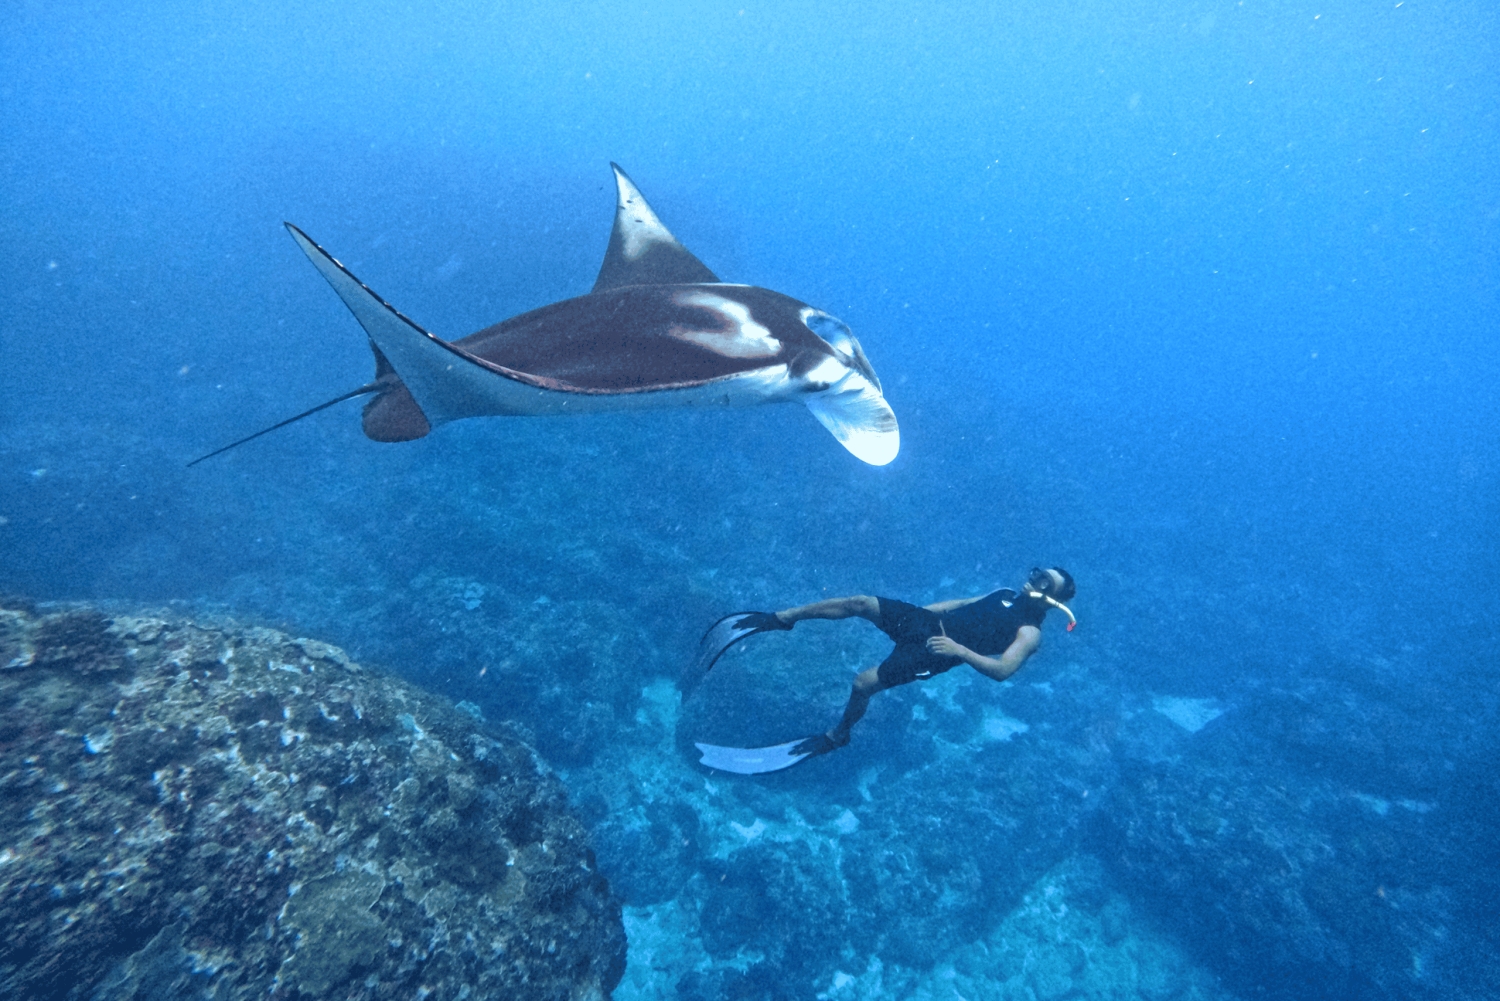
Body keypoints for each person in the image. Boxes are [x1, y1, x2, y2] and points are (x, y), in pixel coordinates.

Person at [723, 567, 1076, 758]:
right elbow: (960, 604)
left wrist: (958, 650)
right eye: (1037, 573)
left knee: (862, 684)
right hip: (925, 623)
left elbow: (1002, 671)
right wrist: (917, 614)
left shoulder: (1030, 633)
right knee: (860, 603)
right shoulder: (1003, 594)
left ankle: (837, 736)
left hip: (936, 652)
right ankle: (781, 618)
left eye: (1045, 582)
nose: (1034, 580)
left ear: (1054, 599)